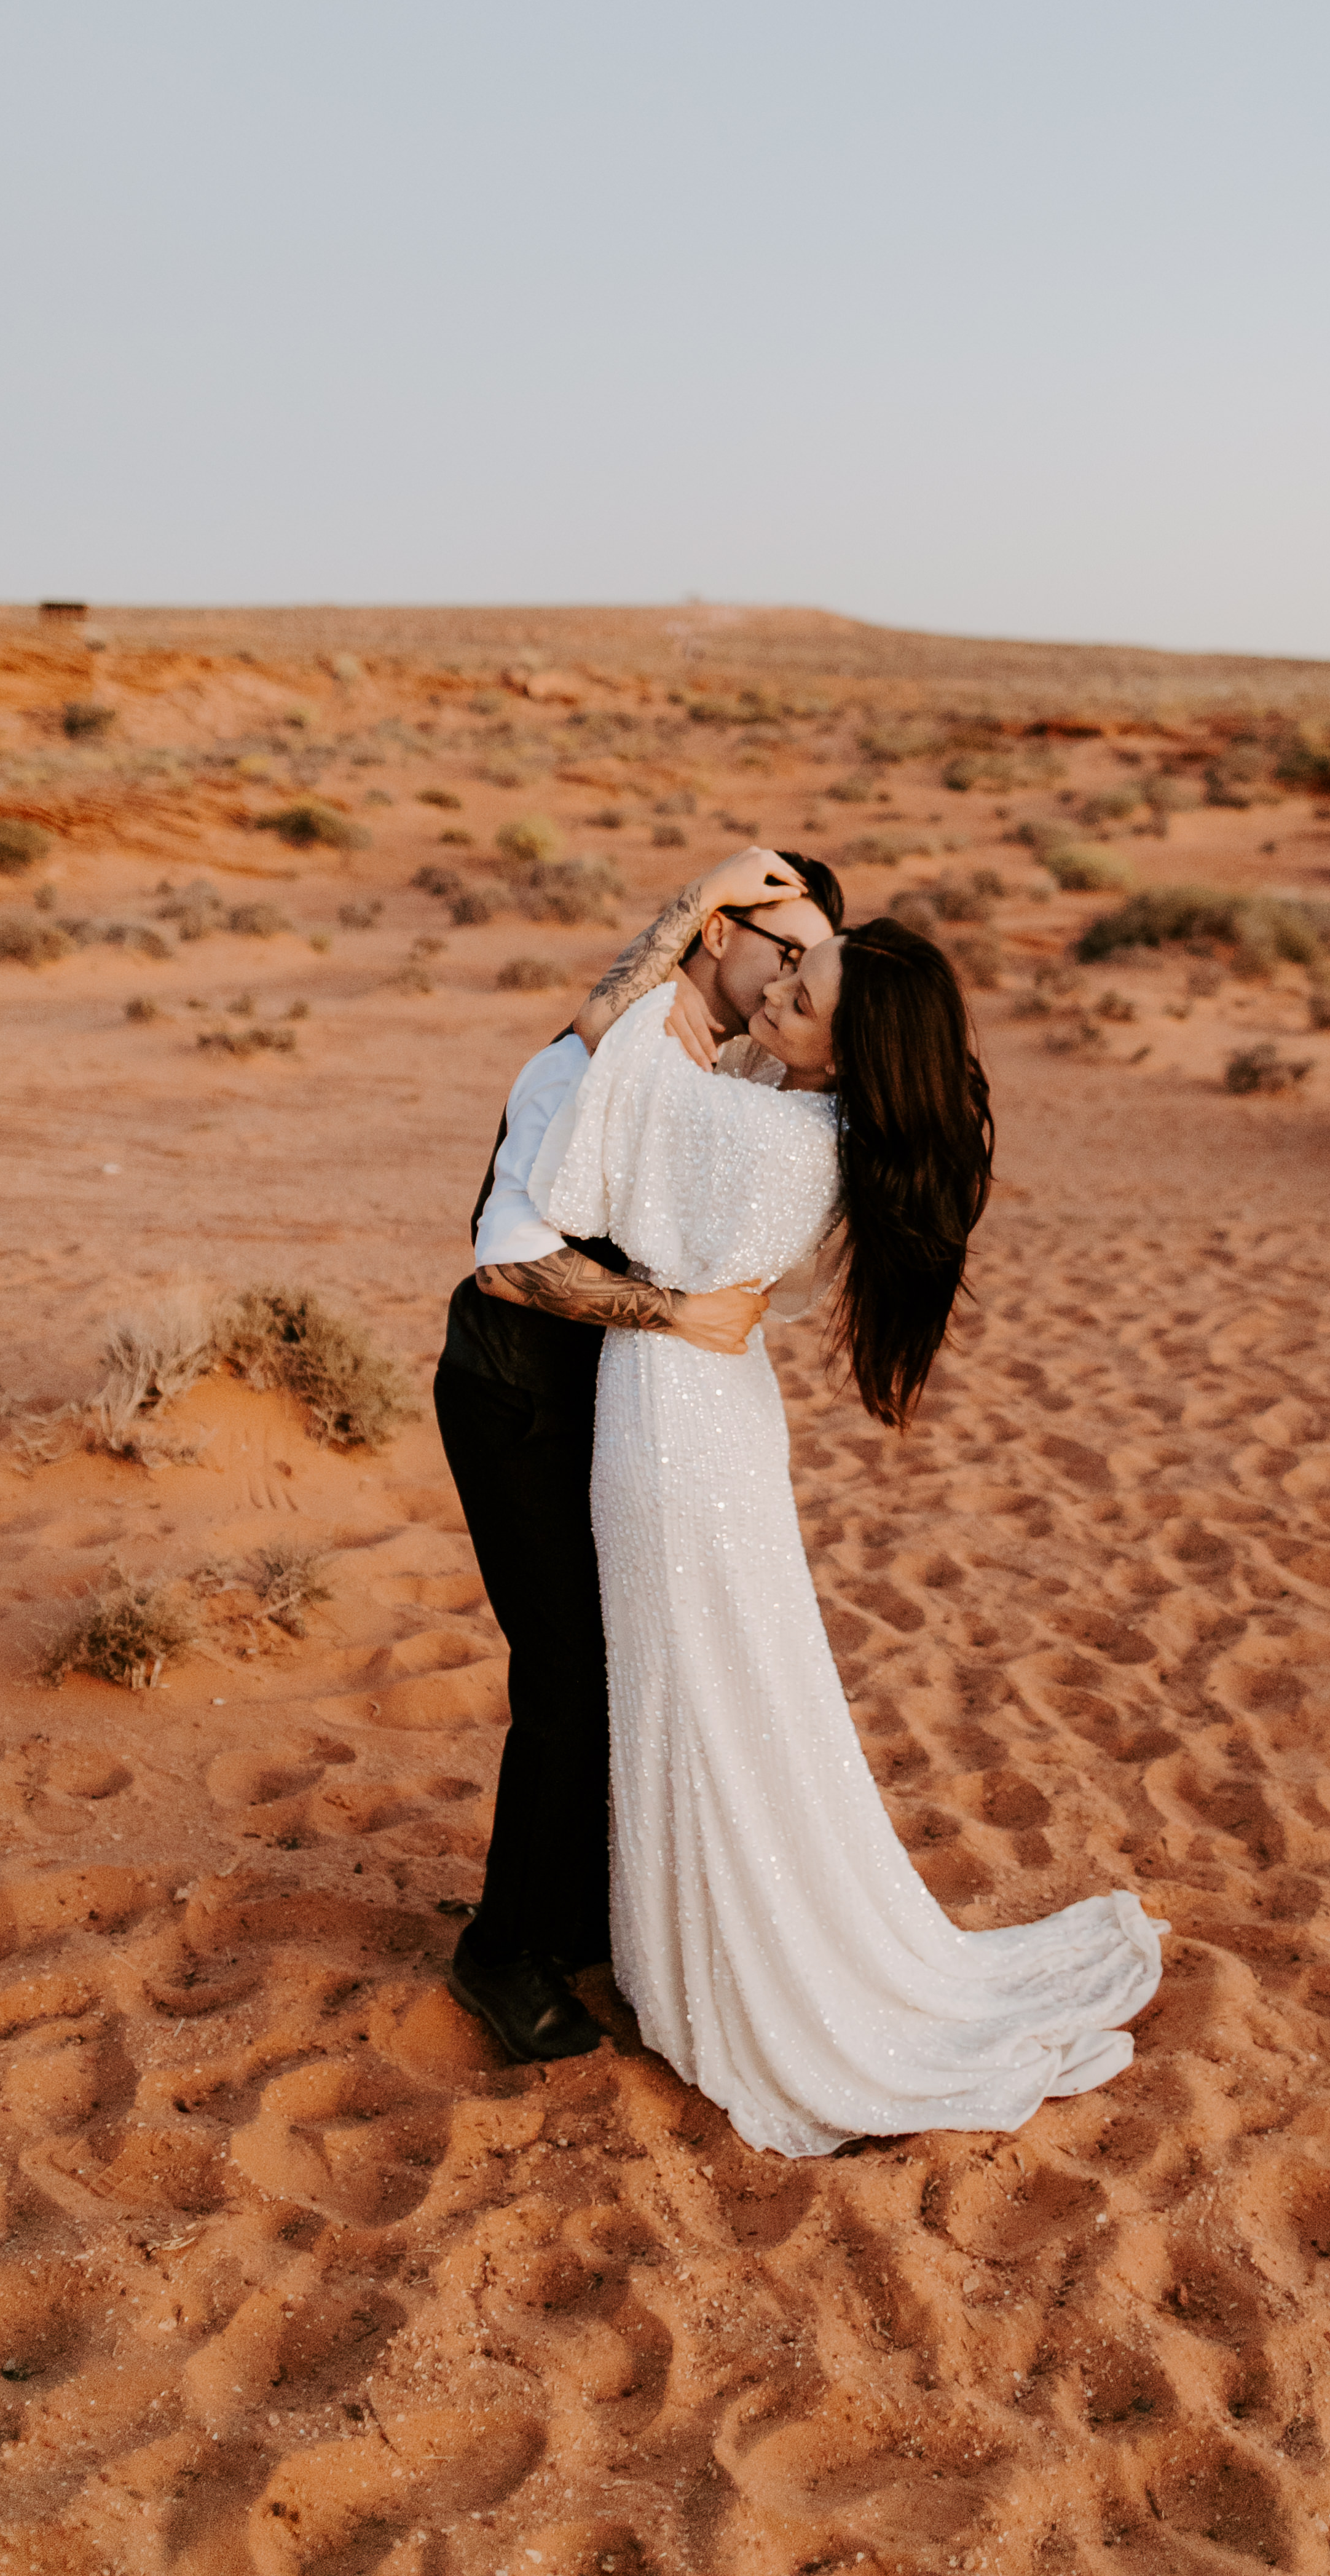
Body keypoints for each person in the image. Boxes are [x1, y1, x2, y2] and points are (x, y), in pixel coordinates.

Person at [527, 917, 1167, 2158]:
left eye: (802, 999)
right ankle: (697, 1944)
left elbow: (613, 1048)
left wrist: (690, 914)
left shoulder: (768, 1132)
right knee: (720, 1686)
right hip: (706, 1411)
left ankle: (721, 1973)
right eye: (789, 978)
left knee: (699, 1690)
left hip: (672, 1422)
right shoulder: (803, 1117)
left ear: (849, 1054)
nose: (774, 1002)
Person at [434, 845, 845, 2065]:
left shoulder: (707, 1065)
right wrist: (675, 1318)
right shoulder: (595, 1063)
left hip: (604, 1405)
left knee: (616, 1665)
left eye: (812, 965)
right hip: (514, 1385)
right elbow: (506, 1258)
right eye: (785, 950)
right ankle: (502, 1955)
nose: (791, 982)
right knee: (566, 1672)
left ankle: (569, 1916)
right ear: (717, 933)